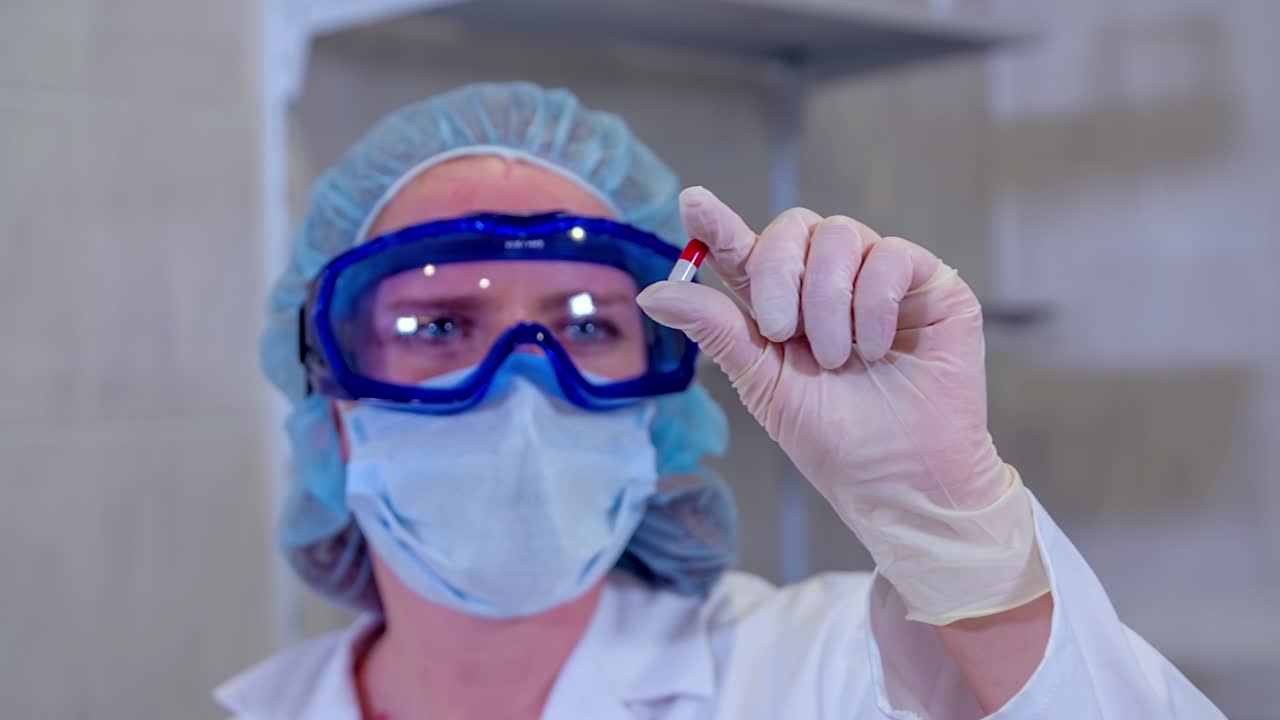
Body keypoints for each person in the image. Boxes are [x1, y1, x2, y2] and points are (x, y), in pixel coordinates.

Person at [217, 82, 1225, 719]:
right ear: (332, 405)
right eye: (439, 327)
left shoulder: (833, 677)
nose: (521, 388)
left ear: (659, 403)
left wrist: (954, 521)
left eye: (584, 325)